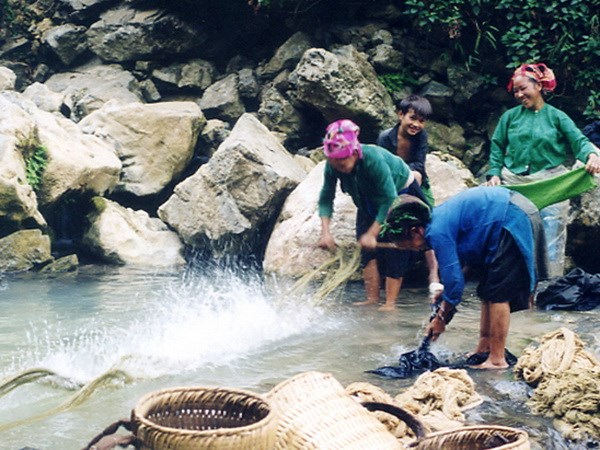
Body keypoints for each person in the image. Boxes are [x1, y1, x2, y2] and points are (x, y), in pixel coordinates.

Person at [379, 186, 548, 369]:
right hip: (501, 219)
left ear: (415, 231)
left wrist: (441, 318)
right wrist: (446, 297)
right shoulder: (438, 224)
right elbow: (463, 271)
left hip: (510, 217)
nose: (415, 251)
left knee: (499, 294)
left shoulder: (436, 232)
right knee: (487, 291)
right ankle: (484, 348)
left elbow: (455, 281)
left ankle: (497, 359)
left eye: (410, 246)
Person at [486, 63, 600, 277]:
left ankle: (548, 285)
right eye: (516, 91)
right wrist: (493, 173)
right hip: (516, 183)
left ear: (538, 85)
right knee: (511, 234)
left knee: (551, 240)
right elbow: (497, 146)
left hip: (550, 185)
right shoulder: (509, 117)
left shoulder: (557, 117)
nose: (519, 94)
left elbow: (579, 141)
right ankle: (515, 283)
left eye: (523, 88)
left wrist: (591, 156)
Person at [317, 119, 428, 311]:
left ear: (354, 152)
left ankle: (390, 303)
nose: (339, 165)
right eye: (335, 161)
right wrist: (325, 232)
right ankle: (372, 298)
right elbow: (326, 197)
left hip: (400, 194)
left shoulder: (373, 158)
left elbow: (389, 199)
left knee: (396, 244)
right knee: (366, 248)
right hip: (366, 198)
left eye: (343, 160)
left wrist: (373, 233)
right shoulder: (332, 164)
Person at [377, 94, 440, 294]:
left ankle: (433, 273)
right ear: (400, 115)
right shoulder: (385, 137)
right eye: (412, 118)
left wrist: (410, 175)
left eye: (421, 121)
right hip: (390, 184)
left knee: (429, 218)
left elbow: (419, 164)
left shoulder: (421, 137)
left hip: (415, 181)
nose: (416, 125)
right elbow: (381, 166)